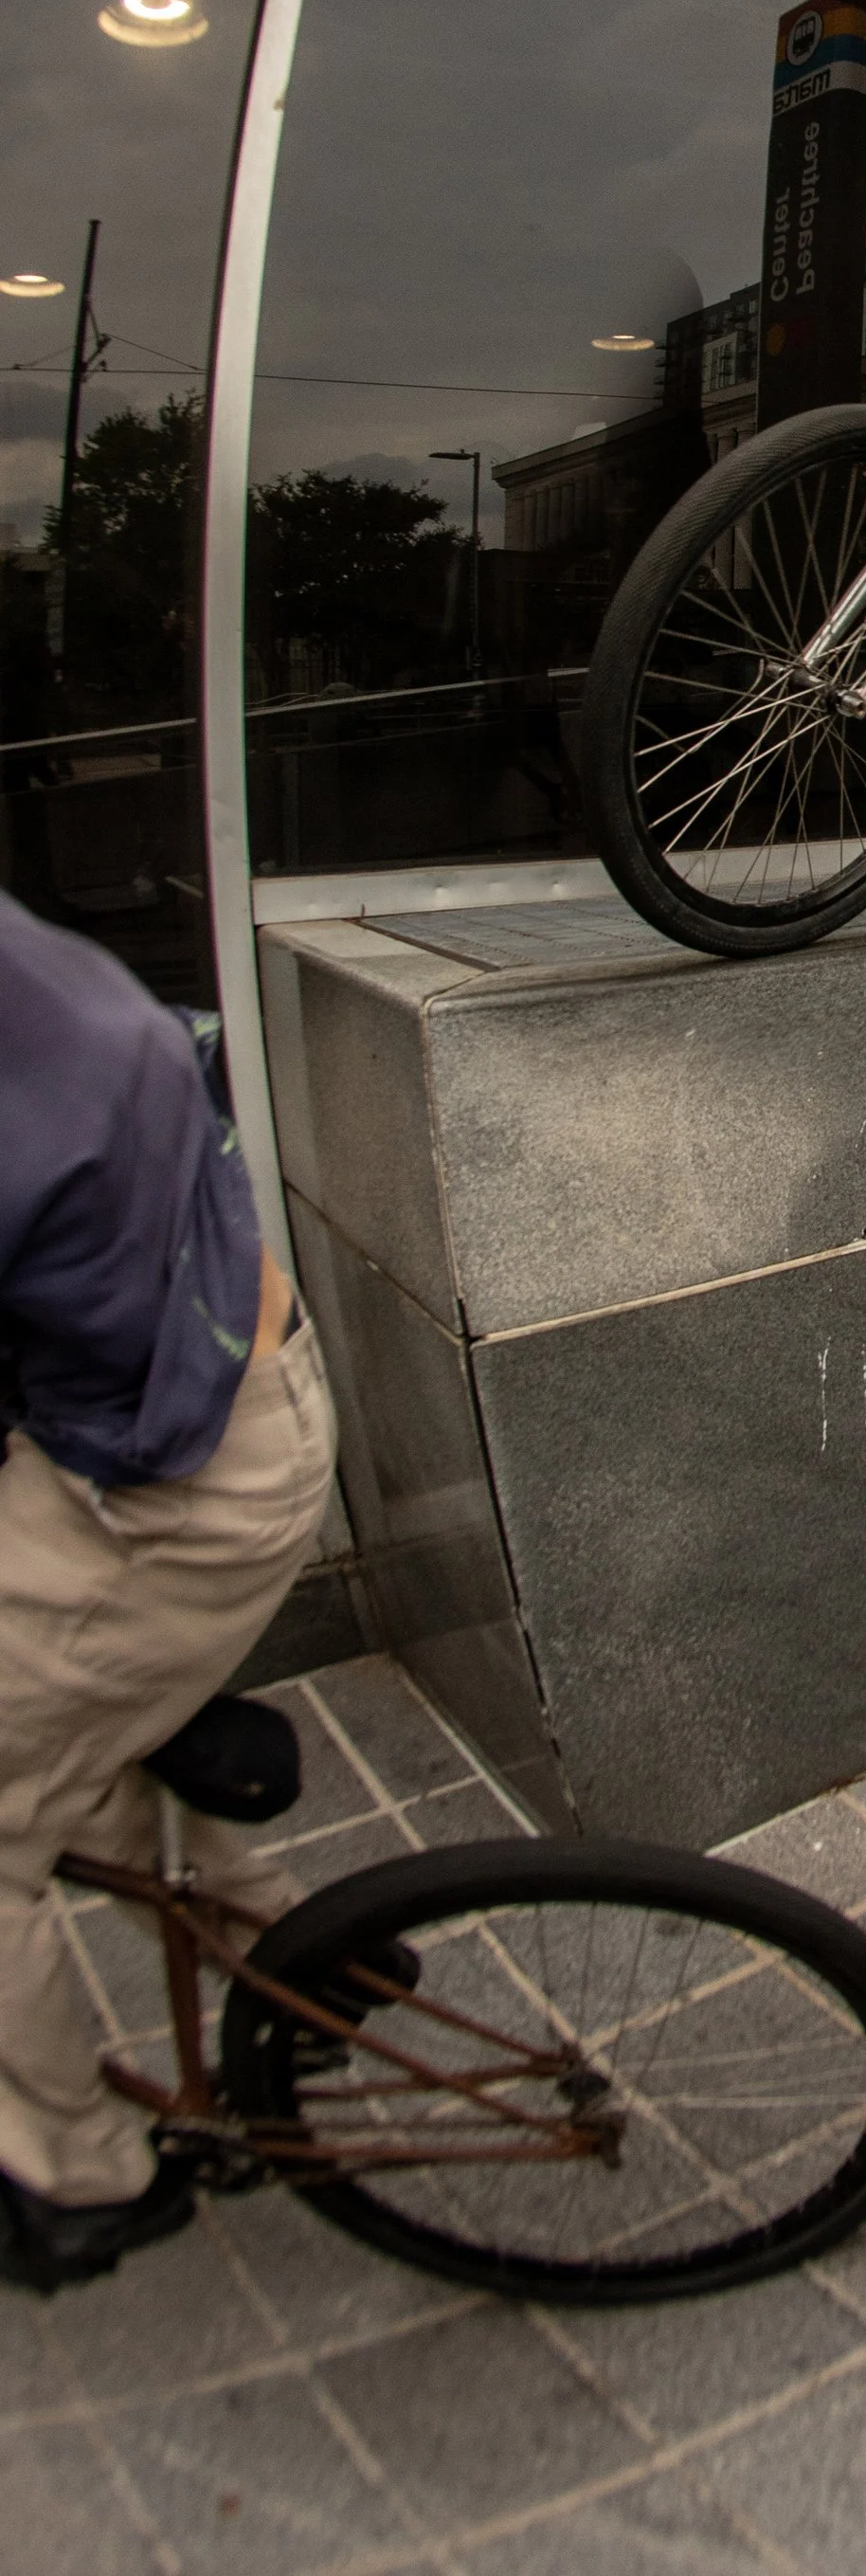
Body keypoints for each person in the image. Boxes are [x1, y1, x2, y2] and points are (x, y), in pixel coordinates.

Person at [0, 892, 335, 2291]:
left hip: (170, 1485)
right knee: (61, 1736)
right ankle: (303, 1968)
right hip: (245, 1387)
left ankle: (76, 2172)